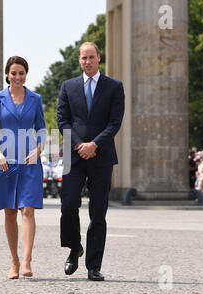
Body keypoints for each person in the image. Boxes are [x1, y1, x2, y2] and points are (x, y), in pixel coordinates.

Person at [56, 42, 125, 281]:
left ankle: (93, 266)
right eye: (83, 58)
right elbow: (63, 121)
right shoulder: (68, 86)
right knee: (67, 206)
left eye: (91, 57)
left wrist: (94, 144)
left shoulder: (114, 87)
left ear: (99, 58)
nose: (87, 61)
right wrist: (79, 145)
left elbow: (115, 122)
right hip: (72, 155)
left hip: (102, 155)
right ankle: (74, 249)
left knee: (98, 212)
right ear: (79, 60)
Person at [0, 56, 46, 279]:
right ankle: (14, 261)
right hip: (5, 160)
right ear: (7, 75)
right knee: (10, 211)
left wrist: (39, 150)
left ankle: (27, 260)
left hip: (29, 161)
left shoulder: (35, 98)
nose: (17, 77)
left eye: (21, 73)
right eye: (13, 73)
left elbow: (41, 129)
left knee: (28, 210)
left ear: (26, 75)